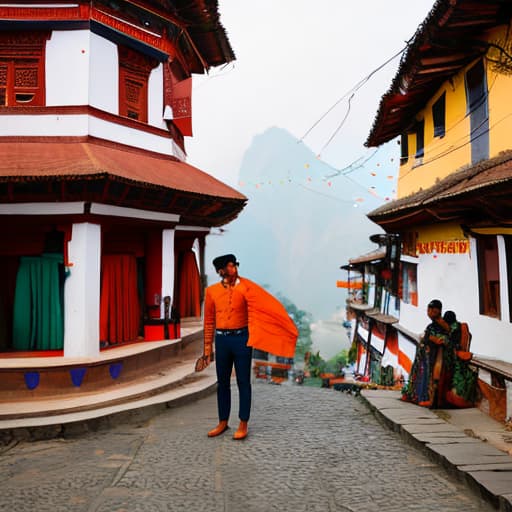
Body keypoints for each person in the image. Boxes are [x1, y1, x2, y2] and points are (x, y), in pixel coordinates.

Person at [195, 254, 298, 440]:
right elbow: (209, 322)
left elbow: (263, 309)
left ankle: (243, 423)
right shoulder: (211, 292)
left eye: (234, 266)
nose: (233, 269)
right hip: (222, 340)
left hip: (242, 339)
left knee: (243, 382)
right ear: (221, 271)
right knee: (223, 383)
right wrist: (207, 351)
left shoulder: (247, 289)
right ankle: (223, 422)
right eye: (229, 267)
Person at [402, 299, 450, 407]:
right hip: (425, 353)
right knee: (419, 372)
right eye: (428, 310)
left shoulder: (442, 325)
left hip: (433, 355)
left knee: (427, 374)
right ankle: (415, 395)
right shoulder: (432, 325)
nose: (428, 312)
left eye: (431, 310)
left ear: (437, 311)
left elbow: (445, 338)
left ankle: (426, 397)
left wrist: (433, 339)